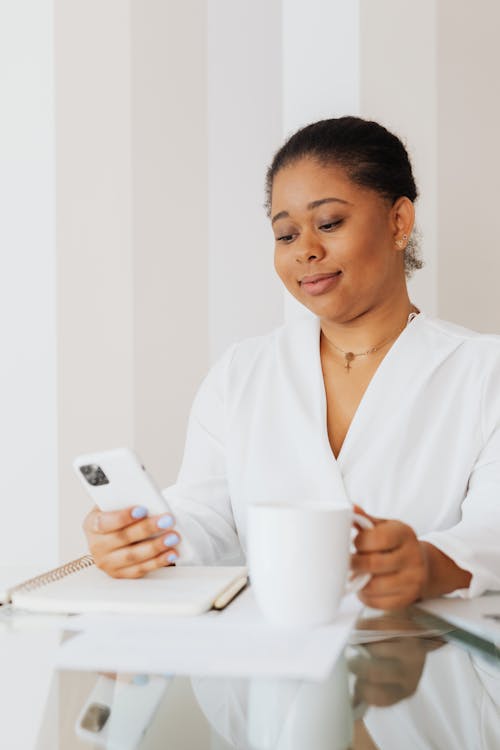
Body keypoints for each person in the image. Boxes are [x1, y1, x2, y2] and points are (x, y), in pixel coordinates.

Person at [83, 116, 500, 610]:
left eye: (329, 224)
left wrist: (428, 564)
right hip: (271, 665)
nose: (306, 250)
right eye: (285, 235)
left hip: (423, 671)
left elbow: (492, 528)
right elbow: (206, 515)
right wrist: (144, 538)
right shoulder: (242, 372)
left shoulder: (481, 370)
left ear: (398, 222)